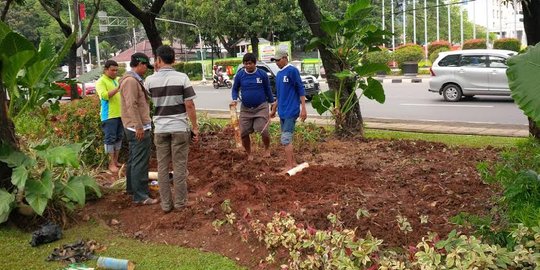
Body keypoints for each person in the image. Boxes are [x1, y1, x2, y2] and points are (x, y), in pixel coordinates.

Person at [145, 45, 199, 213]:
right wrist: (195, 127)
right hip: (179, 128)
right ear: (174, 59)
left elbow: (148, 101)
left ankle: (166, 205)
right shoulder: (182, 78)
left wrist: (155, 72)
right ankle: (180, 203)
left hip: (160, 129)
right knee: (179, 166)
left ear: (158, 60)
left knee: (162, 167)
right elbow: (189, 104)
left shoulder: (150, 81)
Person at [118, 52, 158, 205]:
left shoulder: (132, 80)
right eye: (145, 66)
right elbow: (131, 105)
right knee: (140, 161)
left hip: (134, 126)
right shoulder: (131, 81)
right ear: (140, 65)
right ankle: (140, 196)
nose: (146, 69)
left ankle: (132, 190)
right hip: (137, 128)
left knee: (134, 159)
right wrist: (139, 126)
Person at [231, 53, 274, 160]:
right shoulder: (240, 75)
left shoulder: (262, 74)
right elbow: (235, 89)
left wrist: (272, 103)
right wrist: (234, 99)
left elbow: (268, 89)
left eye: (250, 63)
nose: (248, 66)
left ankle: (267, 148)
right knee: (244, 132)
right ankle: (249, 153)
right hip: (246, 108)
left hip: (261, 107)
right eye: (245, 64)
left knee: (262, 129)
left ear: (255, 63)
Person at [269, 49, 307, 172]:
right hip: (283, 111)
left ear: (285, 58)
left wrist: (303, 109)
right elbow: (280, 95)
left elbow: (300, 89)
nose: (276, 63)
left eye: (278, 60)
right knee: (287, 138)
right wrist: (274, 108)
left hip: (291, 110)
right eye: (275, 60)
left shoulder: (292, 71)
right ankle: (293, 162)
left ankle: (289, 166)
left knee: (285, 139)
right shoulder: (279, 74)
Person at [95, 60, 122, 173]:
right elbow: (104, 96)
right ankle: (110, 164)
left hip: (121, 114)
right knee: (110, 139)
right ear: (106, 70)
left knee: (119, 138)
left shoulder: (117, 79)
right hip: (109, 116)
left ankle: (115, 161)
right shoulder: (101, 81)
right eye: (112, 70)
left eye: (116, 70)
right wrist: (118, 88)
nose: (115, 72)